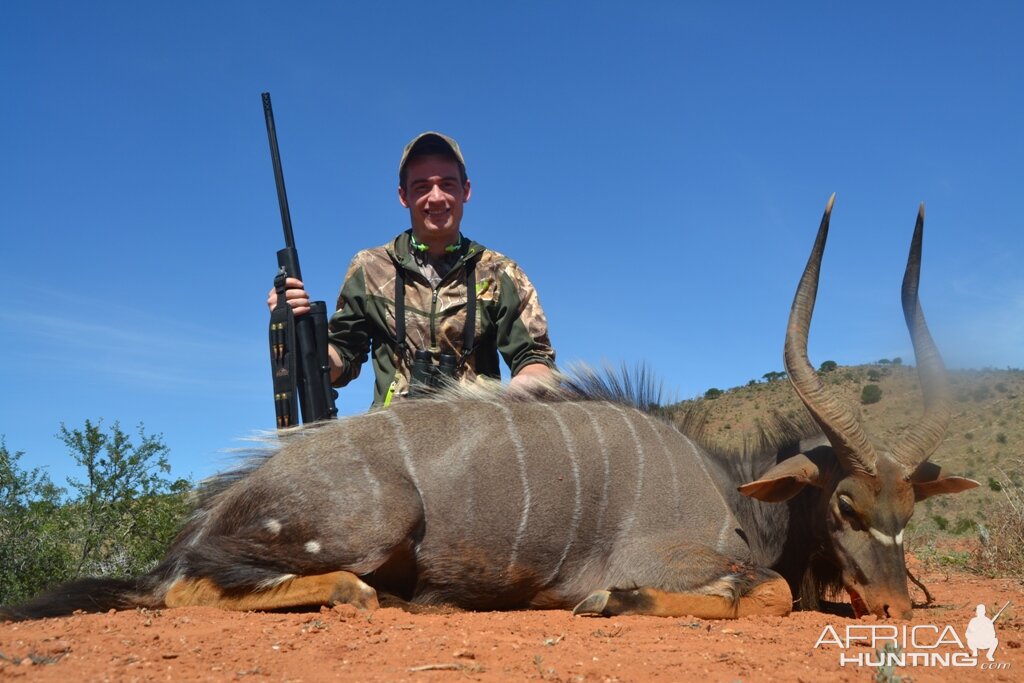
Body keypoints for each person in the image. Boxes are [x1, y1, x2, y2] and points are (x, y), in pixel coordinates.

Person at [267, 131, 556, 406]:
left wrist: (526, 386)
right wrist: (297, 330)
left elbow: (534, 359)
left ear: (465, 191)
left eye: (447, 184)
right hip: (392, 439)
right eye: (421, 187)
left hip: (477, 436)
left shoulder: (500, 271)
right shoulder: (368, 267)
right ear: (403, 196)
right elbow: (340, 362)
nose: (436, 197)